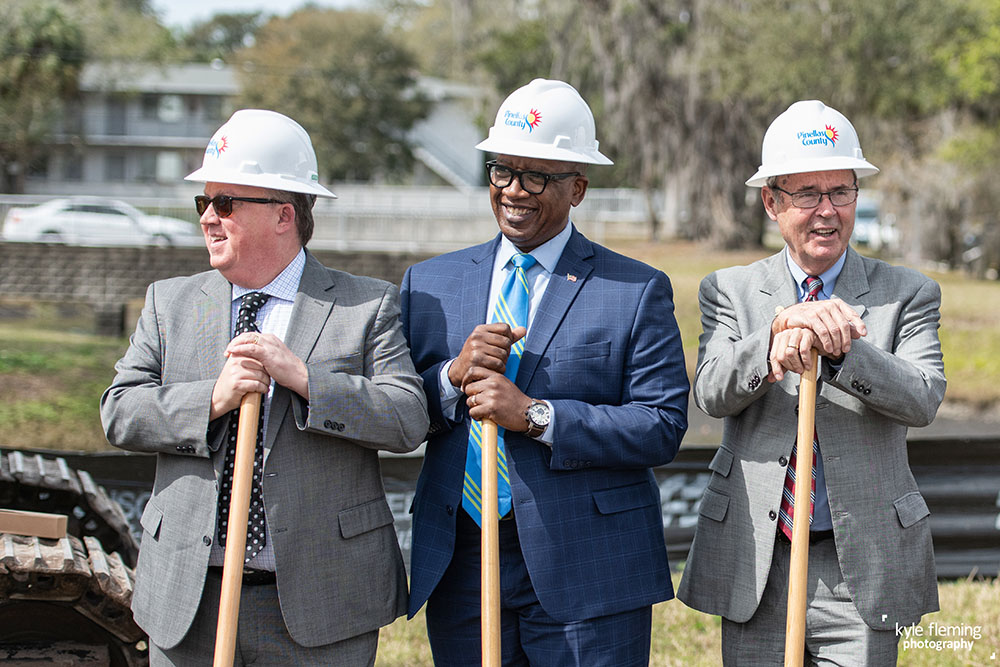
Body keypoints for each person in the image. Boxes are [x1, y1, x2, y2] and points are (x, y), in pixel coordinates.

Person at [100, 109, 428, 666]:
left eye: (226, 203)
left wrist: (306, 380)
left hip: (321, 604)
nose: (208, 218)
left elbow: (407, 417)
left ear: (283, 214)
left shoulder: (365, 305)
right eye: (203, 203)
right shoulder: (170, 303)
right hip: (189, 601)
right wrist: (211, 400)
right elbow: (119, 412)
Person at [400, 78, 689, 666]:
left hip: (588, 564)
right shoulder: (429, 284)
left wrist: (535, 416)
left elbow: (660, 426)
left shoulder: (634, 289)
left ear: (577, 187)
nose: (514, 190)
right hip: (462, 559)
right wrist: (451, 378)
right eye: (503, 171)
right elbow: (400, 411)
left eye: (535, 176)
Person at [677, 100, 946, 665]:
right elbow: (712, 390)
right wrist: (773, 336)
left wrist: (844, 351)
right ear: (771, 202)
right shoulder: (729, 289)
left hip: (863, 564)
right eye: (806, 195)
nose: (827, 211)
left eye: (840, 191)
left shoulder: (908, 293)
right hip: (759, 559)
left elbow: (923, 397)